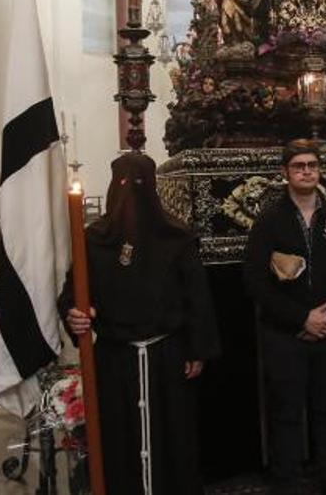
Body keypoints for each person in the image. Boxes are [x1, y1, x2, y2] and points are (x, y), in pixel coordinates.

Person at [59, 153, 220, 494]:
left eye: (140, 184)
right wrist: (74, 312)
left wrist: (197, 349)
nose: (131, 193)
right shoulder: (94, 240)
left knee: (174, 437)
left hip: (168, 357)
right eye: (123, 184)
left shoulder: (177, 238)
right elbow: (73, 293)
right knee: (118, 438)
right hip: (115, 360)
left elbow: (197, 298)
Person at [244, 139, 326, 495]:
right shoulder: (269, 221)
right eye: (299, 166)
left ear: (319, 170)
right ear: (285, 172)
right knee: (285, 413)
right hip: (285, 336)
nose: (306, 171)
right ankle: (287, 483)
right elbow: (254, 280)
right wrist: (301, 319)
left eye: (312, 165)